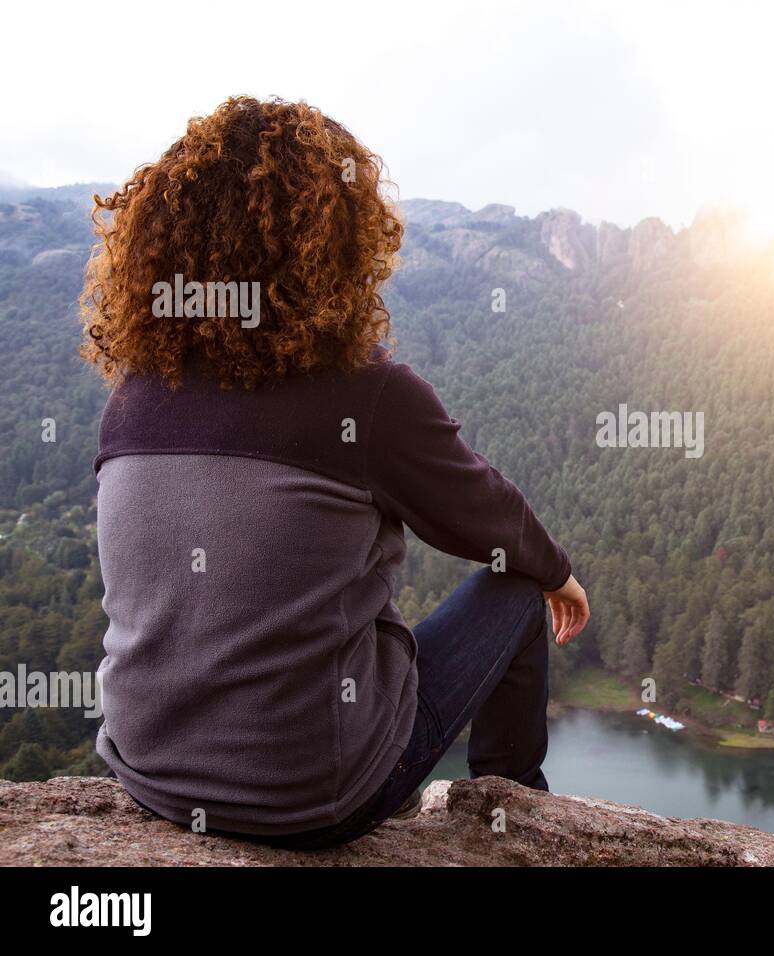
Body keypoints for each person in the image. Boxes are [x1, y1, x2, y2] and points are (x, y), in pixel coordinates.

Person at [79, 96, 589, 849]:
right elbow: (488, 519)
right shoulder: (368, 394)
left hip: (147, 775)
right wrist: (558, 573)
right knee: (516, 589)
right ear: (336, 240)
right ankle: (512, 821)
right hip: (316, 801)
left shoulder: (135, 397)